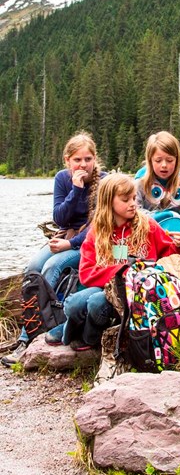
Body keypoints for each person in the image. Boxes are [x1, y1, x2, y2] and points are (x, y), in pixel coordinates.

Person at [1, 132, 106, 365]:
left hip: (90, 243)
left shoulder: (104, 182)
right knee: (33, 268)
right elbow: (59, 217)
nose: (83, 165)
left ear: (95, 159)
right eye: (77, 160)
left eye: (88, 159)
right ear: (67, 160)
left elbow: (100, 225)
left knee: (51, 267)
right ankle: (28, 329)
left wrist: (71, 242)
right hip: (66, 237)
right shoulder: (62, 179)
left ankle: (33, 337)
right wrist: (76, 189)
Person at [63, 173, 180, 350]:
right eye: (125, 199)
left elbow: (171, 260)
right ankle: (73, 330)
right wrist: (121, 269)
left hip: (139, 294)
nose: (132, 203)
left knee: (96, 303)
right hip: (106, 287)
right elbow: (86, 275)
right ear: (108, 202)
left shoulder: (148, 225)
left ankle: (89, 338)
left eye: (134, 198)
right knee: (74, 304)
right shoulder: (96, 233)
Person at [135, 131, 180, 226]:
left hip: (178, 229)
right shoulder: (141, 180)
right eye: (158, 160)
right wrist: (157, 217)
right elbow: (134, 209)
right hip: (149, 228)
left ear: (177, 160)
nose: (164, 165)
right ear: (150, 160)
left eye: (169, 160)